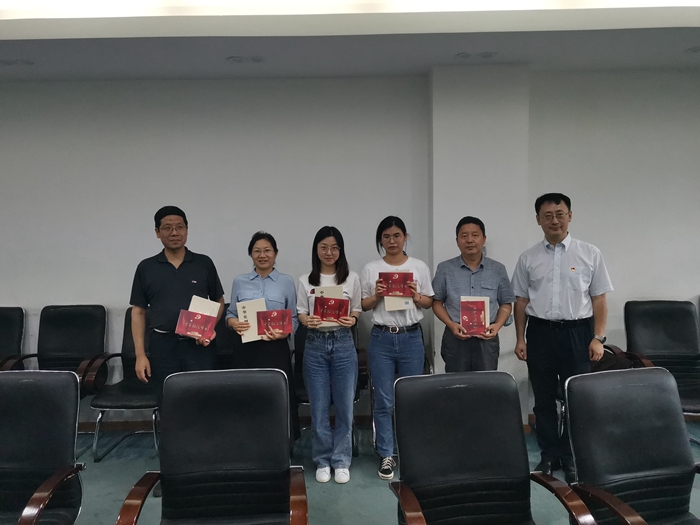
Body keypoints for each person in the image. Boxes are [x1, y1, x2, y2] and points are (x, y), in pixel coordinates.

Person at [512, 193, 613, 484]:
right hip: (540, 333)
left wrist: (598, 337)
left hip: (578, 334)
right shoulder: (528, 258)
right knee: (543, 399)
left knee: (574, 398)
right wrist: (520, 339)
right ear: (538, 220)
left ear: (570, 216)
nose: (554, 220)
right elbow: (521, 301)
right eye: (547, 215)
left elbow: (599, 299)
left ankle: (570, 457)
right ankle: (548, 454)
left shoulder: (589, 253)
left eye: (559, 214)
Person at [361, 216, 434, 480]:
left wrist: (416, 295)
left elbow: (428, 302)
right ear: (380, 240)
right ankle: (387, 454)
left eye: (396, 236)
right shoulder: (371, 268)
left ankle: (411, 451)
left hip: (410, 337)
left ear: (405, 237)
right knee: (384, 399)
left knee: (410, 397)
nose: (392, 241)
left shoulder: (418, 266)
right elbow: (364, 306)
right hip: (381, 338)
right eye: (386, 237)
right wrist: (377, 295)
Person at [130, 205, 225, 403]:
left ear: (187, 230)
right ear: (157, 232)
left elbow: (219, 301)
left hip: (198, 347)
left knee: (203, 400)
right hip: (163, 346)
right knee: (169, 401)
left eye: (180, 227)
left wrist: (208, 329)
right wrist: (140, 355)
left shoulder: (203, 263)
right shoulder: (146, 267)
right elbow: (138, 312)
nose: (174, 232)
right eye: (167, 228)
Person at [297, 226, 361, 484]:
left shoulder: (351, 278)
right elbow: (301, 313)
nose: (329, 252)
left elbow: (357, 309)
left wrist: (352, 319)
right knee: (319, 406)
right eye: (324, 247)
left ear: (341, 250)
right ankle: (323, 460)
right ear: (316, 250)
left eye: (334, 247)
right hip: (315, 344)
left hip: (343, 342)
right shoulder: (305, 280)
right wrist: (307, 320)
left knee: (345, 406)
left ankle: (342, 460)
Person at [225, 231, 299, 438]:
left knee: (277, 397)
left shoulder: (286, 282)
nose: (262, 255)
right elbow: (230, 314)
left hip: (275, 349)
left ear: (275, 253)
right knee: (246, 396)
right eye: (257, 251)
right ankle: (247, 441)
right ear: (250, 254)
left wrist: (283, 333)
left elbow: (294, 318)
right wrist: (233, 323)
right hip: (246, 349)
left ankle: (282, 441)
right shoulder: (240, 281)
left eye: (267, 250)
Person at [432, 216, 515, 372]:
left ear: (484, 239)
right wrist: (450, 324)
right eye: (464, 236)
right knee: (456, 382)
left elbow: (506, 304)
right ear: (457, 241)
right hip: (455, 337)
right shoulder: (445, 269)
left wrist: (497, 326)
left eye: (475, 235)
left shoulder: (498, 269)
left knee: (486, 383)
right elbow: (436, 302)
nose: (470, 240)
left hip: (486, 339)